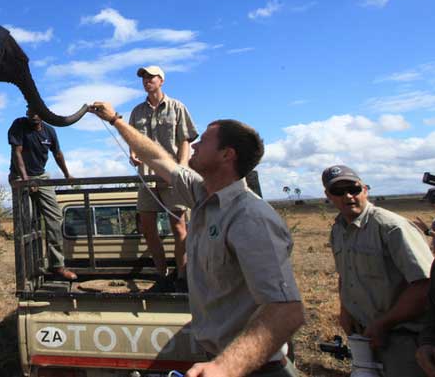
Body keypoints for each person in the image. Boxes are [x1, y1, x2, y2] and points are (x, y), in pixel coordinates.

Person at [89, 102, 305, 377]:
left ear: (226, 155)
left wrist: (226, 367)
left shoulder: (251, 217)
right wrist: (115, 120)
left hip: (256, 369)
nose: (193, 146)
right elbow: (158, 159)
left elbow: (287, 310)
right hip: (223, 361)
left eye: (203, 141)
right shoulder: (202, 194)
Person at [321, 164, 432, 377]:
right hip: (365, 337)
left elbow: (424, 285)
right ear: (328, 195)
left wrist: (384, 323)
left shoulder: (391, 227)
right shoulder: (338, 229)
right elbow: (346, 274)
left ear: (365, 189)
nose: (348, 196)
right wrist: (345, 311)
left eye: (353, 189)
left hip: (404, 338)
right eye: (338, 191)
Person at [128, 65, 197, 292]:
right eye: (144, 78)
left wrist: (182, 168)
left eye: (151, 77)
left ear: (161, 80)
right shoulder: (137, 111)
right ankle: (162, 275)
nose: (147, 80)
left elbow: (186, 139)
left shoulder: (177, 107)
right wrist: (133, 154)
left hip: (172, 176)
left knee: (179, 228)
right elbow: (132, 139)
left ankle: (183, 275)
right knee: (148, 228)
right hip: (146, 178)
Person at [8, 107, 77, 281]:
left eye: (37, 113)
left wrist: (67, 174)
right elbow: (17, 152)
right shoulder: (19, 125)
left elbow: (58, 154)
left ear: (43, 114)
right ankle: (28, 268)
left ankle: (57, 265)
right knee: (26, 222)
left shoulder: (50, 131)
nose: (33, 116)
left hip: (41, 176)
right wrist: (26, 180)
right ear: (27, 113)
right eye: (30, 112)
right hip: (20, 175)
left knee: (55, 218)